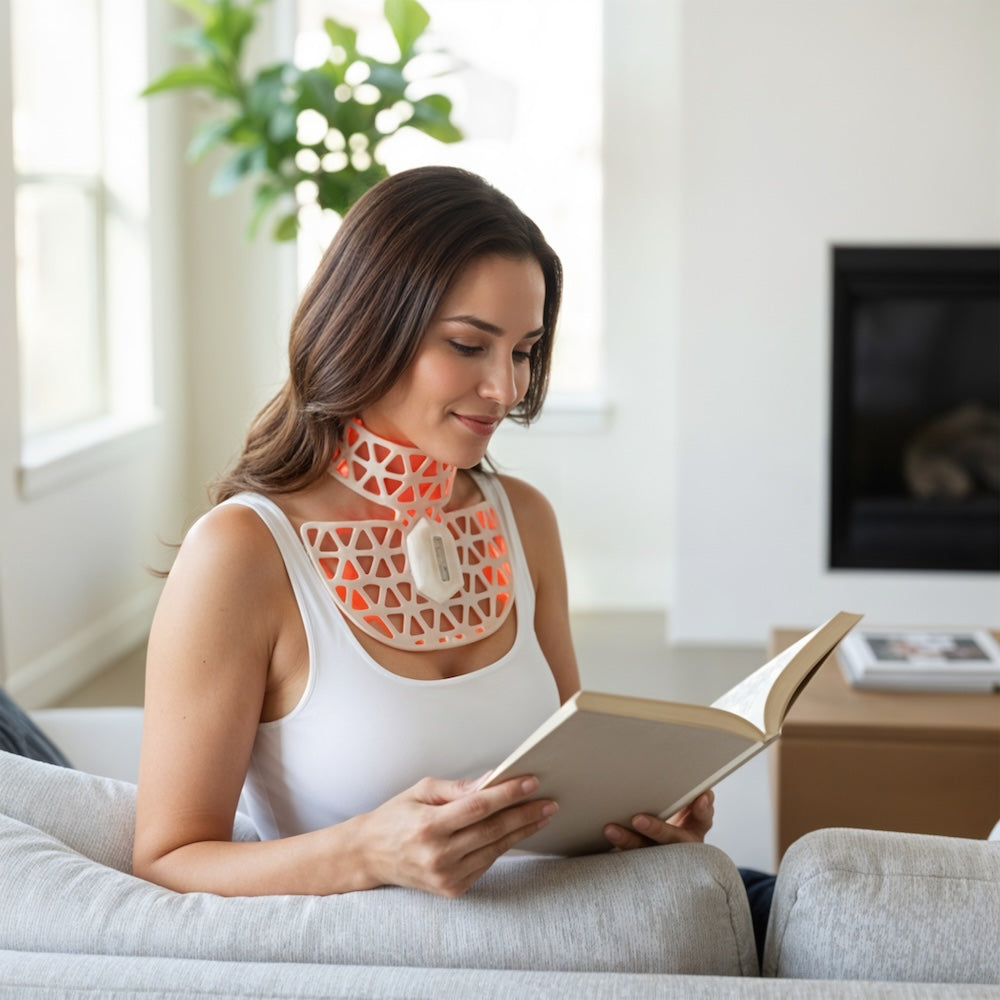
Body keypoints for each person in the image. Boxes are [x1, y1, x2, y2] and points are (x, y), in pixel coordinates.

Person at [134, 165, 719, 904]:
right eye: (470, 346)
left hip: (567, 945)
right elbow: (166, 859)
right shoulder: (241, 555)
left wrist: (641, 818)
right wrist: (368, 852)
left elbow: (571, 779)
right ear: (370, 325)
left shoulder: (526, 520)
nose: (506, 389)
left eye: (524, 350)